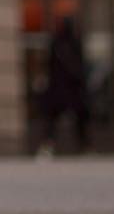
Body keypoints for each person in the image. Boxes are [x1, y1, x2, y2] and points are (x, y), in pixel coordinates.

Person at [37, 16, 90, 156]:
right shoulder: (58, 42)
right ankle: (49, 145)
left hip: (70, 86)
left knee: (78, 117)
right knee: (52, 117)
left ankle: (84, 146)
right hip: (60, 86)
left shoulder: (70, 42)